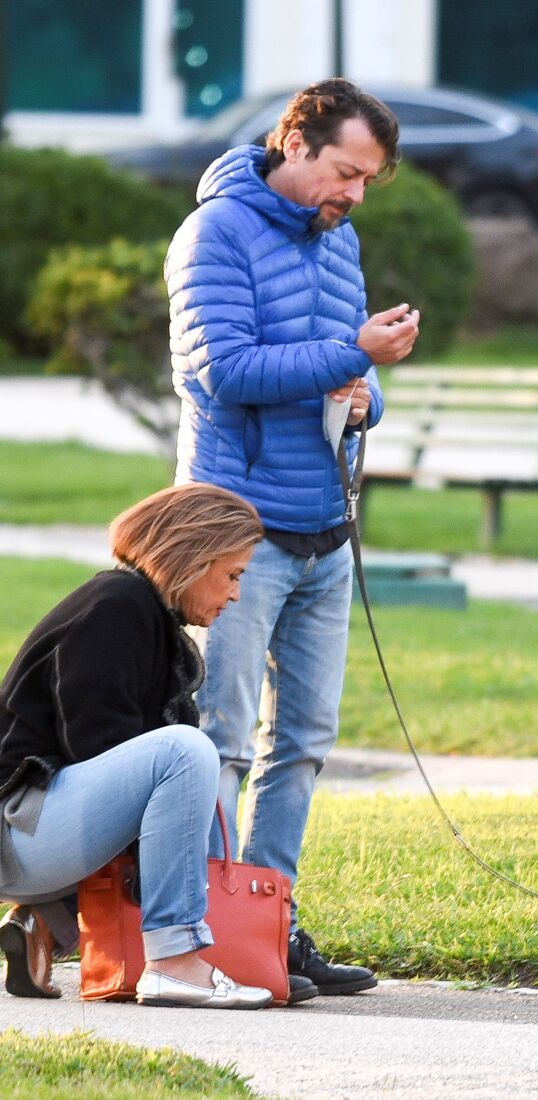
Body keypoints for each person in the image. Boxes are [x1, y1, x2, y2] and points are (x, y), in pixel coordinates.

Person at [165, 78, 419, 997]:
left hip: (325, 529)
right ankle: (196, 938)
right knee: (222, 739)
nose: (355, 193)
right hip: (236, 536)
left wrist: (367, 391)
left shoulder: (339, 238)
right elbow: (222, 371)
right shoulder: (215, 233)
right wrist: (354, 354)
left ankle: (269, 931)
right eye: (346, 171)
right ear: (297, 143)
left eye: (369, 180)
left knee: (303, 741)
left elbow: (354, 379)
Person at [0, 484, 273, 1009]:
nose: (236, 594)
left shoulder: (139, 610)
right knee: (185, 752)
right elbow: (97, 746)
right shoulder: (116, 608)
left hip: (34, 826)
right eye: (233, 575)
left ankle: (42, 924)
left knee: (184, 766)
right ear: (194, 558)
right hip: (16, 827)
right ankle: (174, 961)